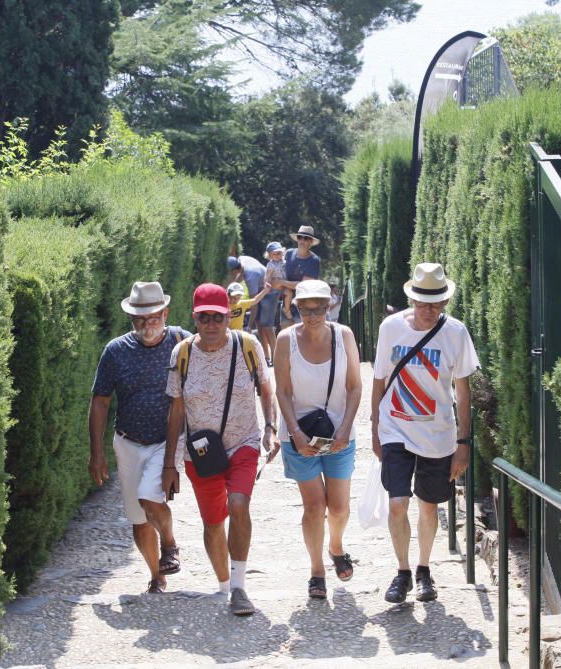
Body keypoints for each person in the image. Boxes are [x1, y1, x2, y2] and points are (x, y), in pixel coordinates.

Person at [163, 283, 276, 616]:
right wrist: (170, 463)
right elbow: (177, 410)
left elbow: (266, 389)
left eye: (218, 318)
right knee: (213, 522)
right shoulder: (181, 354)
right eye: (204, 318)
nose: (211, 325)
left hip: (243, 441)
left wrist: (270, 429)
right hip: (201, 453)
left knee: (239, 503)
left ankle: (240, 587)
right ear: (195, 319)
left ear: (229, 316)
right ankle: (225, 584)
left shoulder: (248, 346)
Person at [371, 262, 480, 604]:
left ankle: (423, 569)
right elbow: (379, 379)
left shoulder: (456, 333)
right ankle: (402, 572)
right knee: (397, 504)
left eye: (436, 303)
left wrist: (463, 443)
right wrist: (375, 427)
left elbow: (463, 392)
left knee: (429, 507)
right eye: (423, 303)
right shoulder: (391, 328)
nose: (429, 310)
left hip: (438, 432)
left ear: (445, 302)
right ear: (412, 300)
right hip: (396, 427)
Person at [89, 281, 191, 594]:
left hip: (166, 440)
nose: (148, 325)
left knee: (149, 496)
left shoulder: (183, 342)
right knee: (138, 518)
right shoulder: (116, 351)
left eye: (154, 317)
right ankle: (156, 575)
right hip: (128, 441)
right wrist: (97, 453)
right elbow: (100, 400)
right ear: (132, 319)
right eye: (140, 319)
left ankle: (170, 545)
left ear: (165, 313)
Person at [272, 280, 362, 599]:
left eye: (320, 308)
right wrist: (295, 433)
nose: (313, 315)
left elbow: (354, 386)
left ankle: (335, 545)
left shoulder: (344, 336)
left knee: (338, 508)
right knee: (314, 506)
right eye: (306, 308)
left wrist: (345, 428)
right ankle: (316, 571)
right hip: (300, 435)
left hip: (338, 433)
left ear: (330, 306)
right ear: (296, 307)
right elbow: (282, 390)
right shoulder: (286, 340)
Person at [277, 226, 322, 323]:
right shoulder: (288, 253)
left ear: (311, 242)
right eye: (300, 237)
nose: (302, 240)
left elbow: (303, 285)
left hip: (304, 305)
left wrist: (281, 282)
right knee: (285, 334)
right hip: (286, 302)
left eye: (306, 238)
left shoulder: (314, 260)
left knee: (303, 336)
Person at [258, 241, 287, 365]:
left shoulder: (286, 263)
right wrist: (267, 285)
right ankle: (275, 354)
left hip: (285, 287)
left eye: (279, 253)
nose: (278, 255)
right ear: (270, 255)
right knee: (267, 323)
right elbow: (267, 277)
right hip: (275, 289)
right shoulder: (270, 265)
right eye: (275, 253)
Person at [227, 255, 267, 331]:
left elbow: (254, 302)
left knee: (264, 322)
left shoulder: (250, 278)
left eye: (238, 297)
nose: (235, 299)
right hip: (229, 332)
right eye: (233, 297)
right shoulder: (240, 260)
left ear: (234, 271)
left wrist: (249, 326)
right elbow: (240, 275)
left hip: (269, 285)